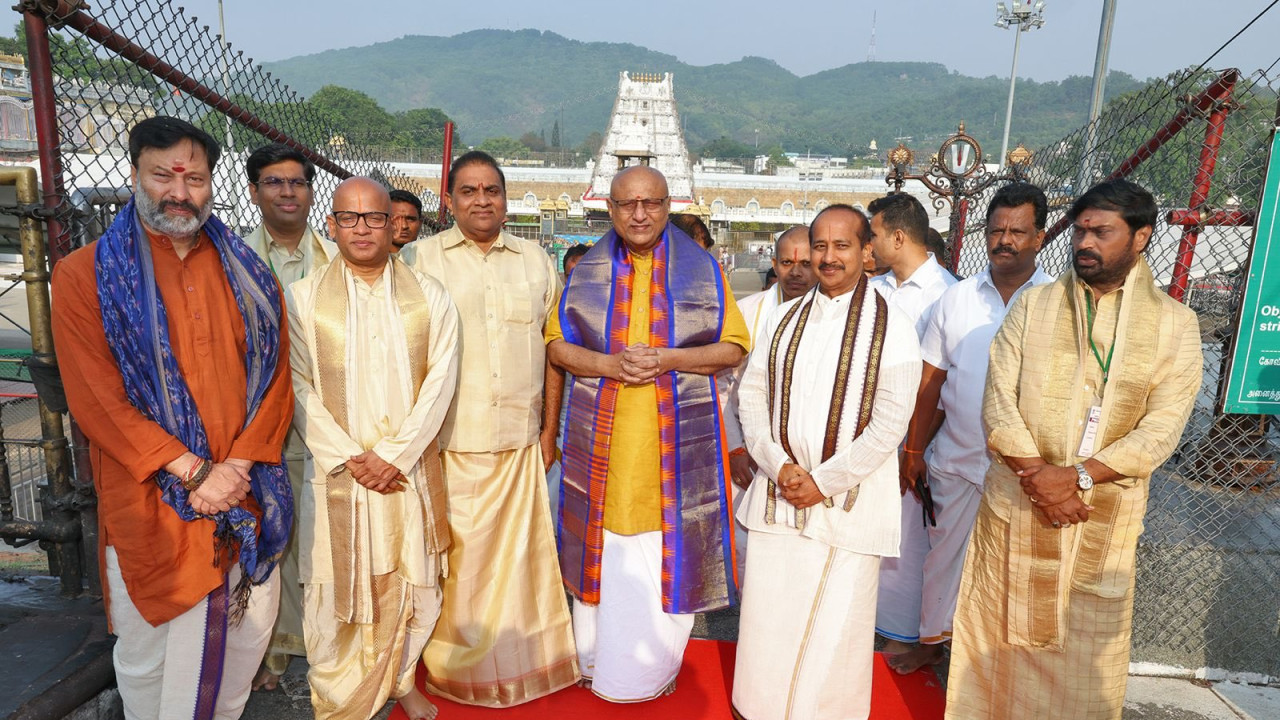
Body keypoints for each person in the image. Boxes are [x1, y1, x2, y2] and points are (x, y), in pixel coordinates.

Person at [51, 116, 294, 718]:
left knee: (241, 647)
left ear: (212, 184)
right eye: (163, 175)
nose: (179, 192)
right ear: (135, 174)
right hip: (151, 503)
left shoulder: (252, 276)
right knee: (150, 661)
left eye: (195, 177)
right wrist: (193, 473)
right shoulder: (85, 275)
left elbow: (276, 380)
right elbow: (97, 401)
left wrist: (233, 466)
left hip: (244, 490)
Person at [946, 179, 1203, 719]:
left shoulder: (1176, 325)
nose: (1085, 242)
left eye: (1101, 232)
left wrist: (1078, 477)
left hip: (1100, 516)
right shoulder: (1033, 306)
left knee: (1086, 656)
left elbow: (1162, 428)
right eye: (1080, 230)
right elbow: (998, 401)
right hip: (1017, 503)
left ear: (1140, 238)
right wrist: (1040, 477)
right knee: (998, 645)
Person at [547, 165, 748, 702]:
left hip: (674, 457)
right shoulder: (585, 270)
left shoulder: (703, 269)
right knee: (603, 548)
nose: (639, 214)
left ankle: (648, 672)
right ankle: (593, 662)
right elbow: (557, 347)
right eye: (627, 204)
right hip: (603, 453)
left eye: (652, 203)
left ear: (668, 205)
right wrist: (610, 366)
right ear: (609, 209)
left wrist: (667, 359)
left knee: (664, 551)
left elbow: (733, 348)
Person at [731, 204, 921, 720]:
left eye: (842, 246)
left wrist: (822, 481)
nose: (829, 257)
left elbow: (890, 423)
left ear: (866, 252)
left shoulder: (894, 325)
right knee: (769, 621)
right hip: (780, 494)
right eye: (821, 246)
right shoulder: (783, 319)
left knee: (835, 633)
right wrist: (777, 465)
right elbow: (751, 398)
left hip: (846, 505)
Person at [288, 177, 459, 720]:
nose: (362, 229)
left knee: (411, 581)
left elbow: (441, 381)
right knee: (335, 585)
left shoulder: (429, 298)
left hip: (403, 472)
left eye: (375, 218)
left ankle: (401, 678)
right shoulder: (303, 299)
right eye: (350, 218)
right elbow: (295, 385)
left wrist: (394, 455)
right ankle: (340, 698)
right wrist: (347, 455)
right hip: (338, 473)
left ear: (395, 226)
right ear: (332, 225)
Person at [416, 151, 579, 706]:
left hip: (520, 442)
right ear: (450, 200)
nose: (482, 200)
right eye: (469, 191)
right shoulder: (420, 260)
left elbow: (553, 353)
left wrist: (549, 432)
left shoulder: (536, 261)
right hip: (449, 442)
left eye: (492, 190)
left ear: (507, 199)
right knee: (458, 562)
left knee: (523, 565)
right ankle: (456, 668)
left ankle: (527, 661)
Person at [885, 182, 1054, 675]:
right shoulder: (956, 299)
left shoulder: (1056, 302)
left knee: (1016, 567)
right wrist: (914, 451)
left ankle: (1002, 662)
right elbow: (931, 381)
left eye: (1018, 231)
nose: (1005, 240)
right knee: (943, 559)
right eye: (996, 230)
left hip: (1026, 468)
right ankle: (931, 645)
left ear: (1039, 237)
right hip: (957, 458)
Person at [242, 141, 336, 692]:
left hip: (327, 418)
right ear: (254, 192)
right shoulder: (231, 258)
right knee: (270, 537)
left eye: (297, 182)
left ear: (310, 191)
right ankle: (272, 654)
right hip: (259, 421)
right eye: (274, 183)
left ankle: (326, 647)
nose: (286, 192)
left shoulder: (340, 256)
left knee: (324, 538)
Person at [867, 192, 957, 657]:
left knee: (909, 539)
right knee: (873, 534)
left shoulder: (948, 294)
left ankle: (906, 635)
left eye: (874, 234)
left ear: (898, 237)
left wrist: (916, 447)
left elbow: (940, 380)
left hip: (917, 440)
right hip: (869, 435)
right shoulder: (877, 290)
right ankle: (872, 627)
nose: (869, 243)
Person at [721, 225, 815, 581]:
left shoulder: (835, 313)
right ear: (774, 264)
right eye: (788, 262)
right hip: (750, 451)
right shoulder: (747, 312)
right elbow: (724, 386)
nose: (797, 271)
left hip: (809, 458)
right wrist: (735, 449)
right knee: (748, 547)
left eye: (806, 262)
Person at [390, 188, 425, 265]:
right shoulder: (368, 260)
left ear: (420, 223)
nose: (404, 226)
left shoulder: (430, 259)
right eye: (396, 219)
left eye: (410, 219)